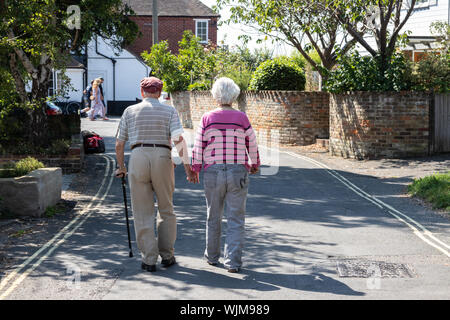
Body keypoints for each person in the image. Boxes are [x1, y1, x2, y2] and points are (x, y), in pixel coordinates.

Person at [115, 77, 199, 273]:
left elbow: (119, 144)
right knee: (166, 208)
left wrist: (121, 167)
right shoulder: (169, 110)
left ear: (142, 92)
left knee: (142, 211)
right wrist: (188, 167)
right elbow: (178, 139)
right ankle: (167, 255)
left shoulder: (130, 111)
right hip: (162, 156)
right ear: (160, 93)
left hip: (138, 156)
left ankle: (149, 259)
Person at [191, 77, 260, 273]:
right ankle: (233, 263)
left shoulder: (207, 117)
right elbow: (252, 143)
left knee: (213, 215)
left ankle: (212, 257)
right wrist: (254, 163)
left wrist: (196, 167)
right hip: (238, 170)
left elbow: (198, 144)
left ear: (215, 94)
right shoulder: (241, 117)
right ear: (234, 94)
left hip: (213, 171)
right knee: (236, 218)